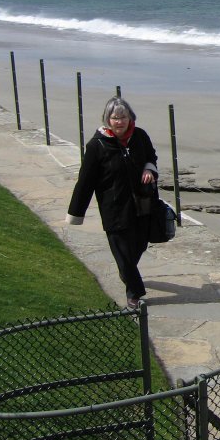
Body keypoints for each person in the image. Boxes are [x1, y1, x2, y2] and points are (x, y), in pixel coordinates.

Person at [66, 96, 159, 310]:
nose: (120, 122)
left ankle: (127, 273)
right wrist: (76, 213)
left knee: (139, 245)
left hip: (142, 203)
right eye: (115, 118)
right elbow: (85, 181)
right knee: (123, 252)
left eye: (123, 117)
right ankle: (134, 293)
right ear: (107, 119)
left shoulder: (140, 136)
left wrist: (149, 169)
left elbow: (151, 157)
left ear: (130, 118)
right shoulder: (96, 145)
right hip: (114, 209)